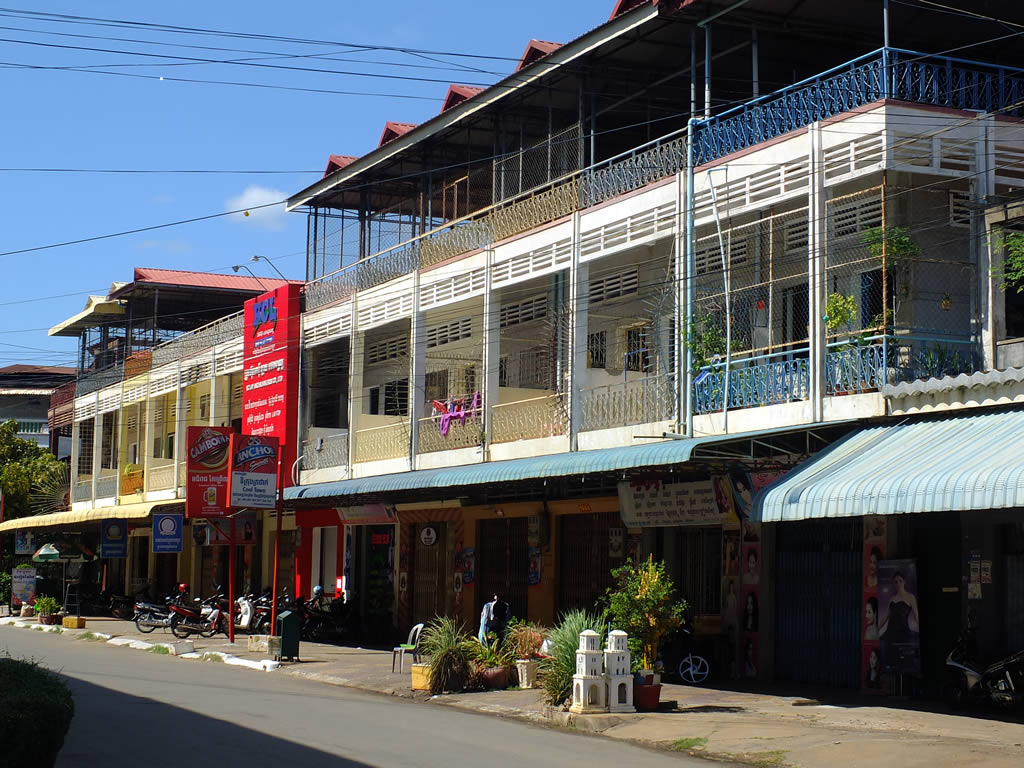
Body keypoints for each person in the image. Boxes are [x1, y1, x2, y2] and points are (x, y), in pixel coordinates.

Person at [879, 571, 920, 669]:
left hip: (903, 633)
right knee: (889, 663)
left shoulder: (910, 597)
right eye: (896, 582)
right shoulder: (892, 598)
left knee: (904, 663)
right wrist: (876, 629)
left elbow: (916, 615)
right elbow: (885, 617)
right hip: (890, 633)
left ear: (904, 582)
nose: (898, 584)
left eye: (900, 581)